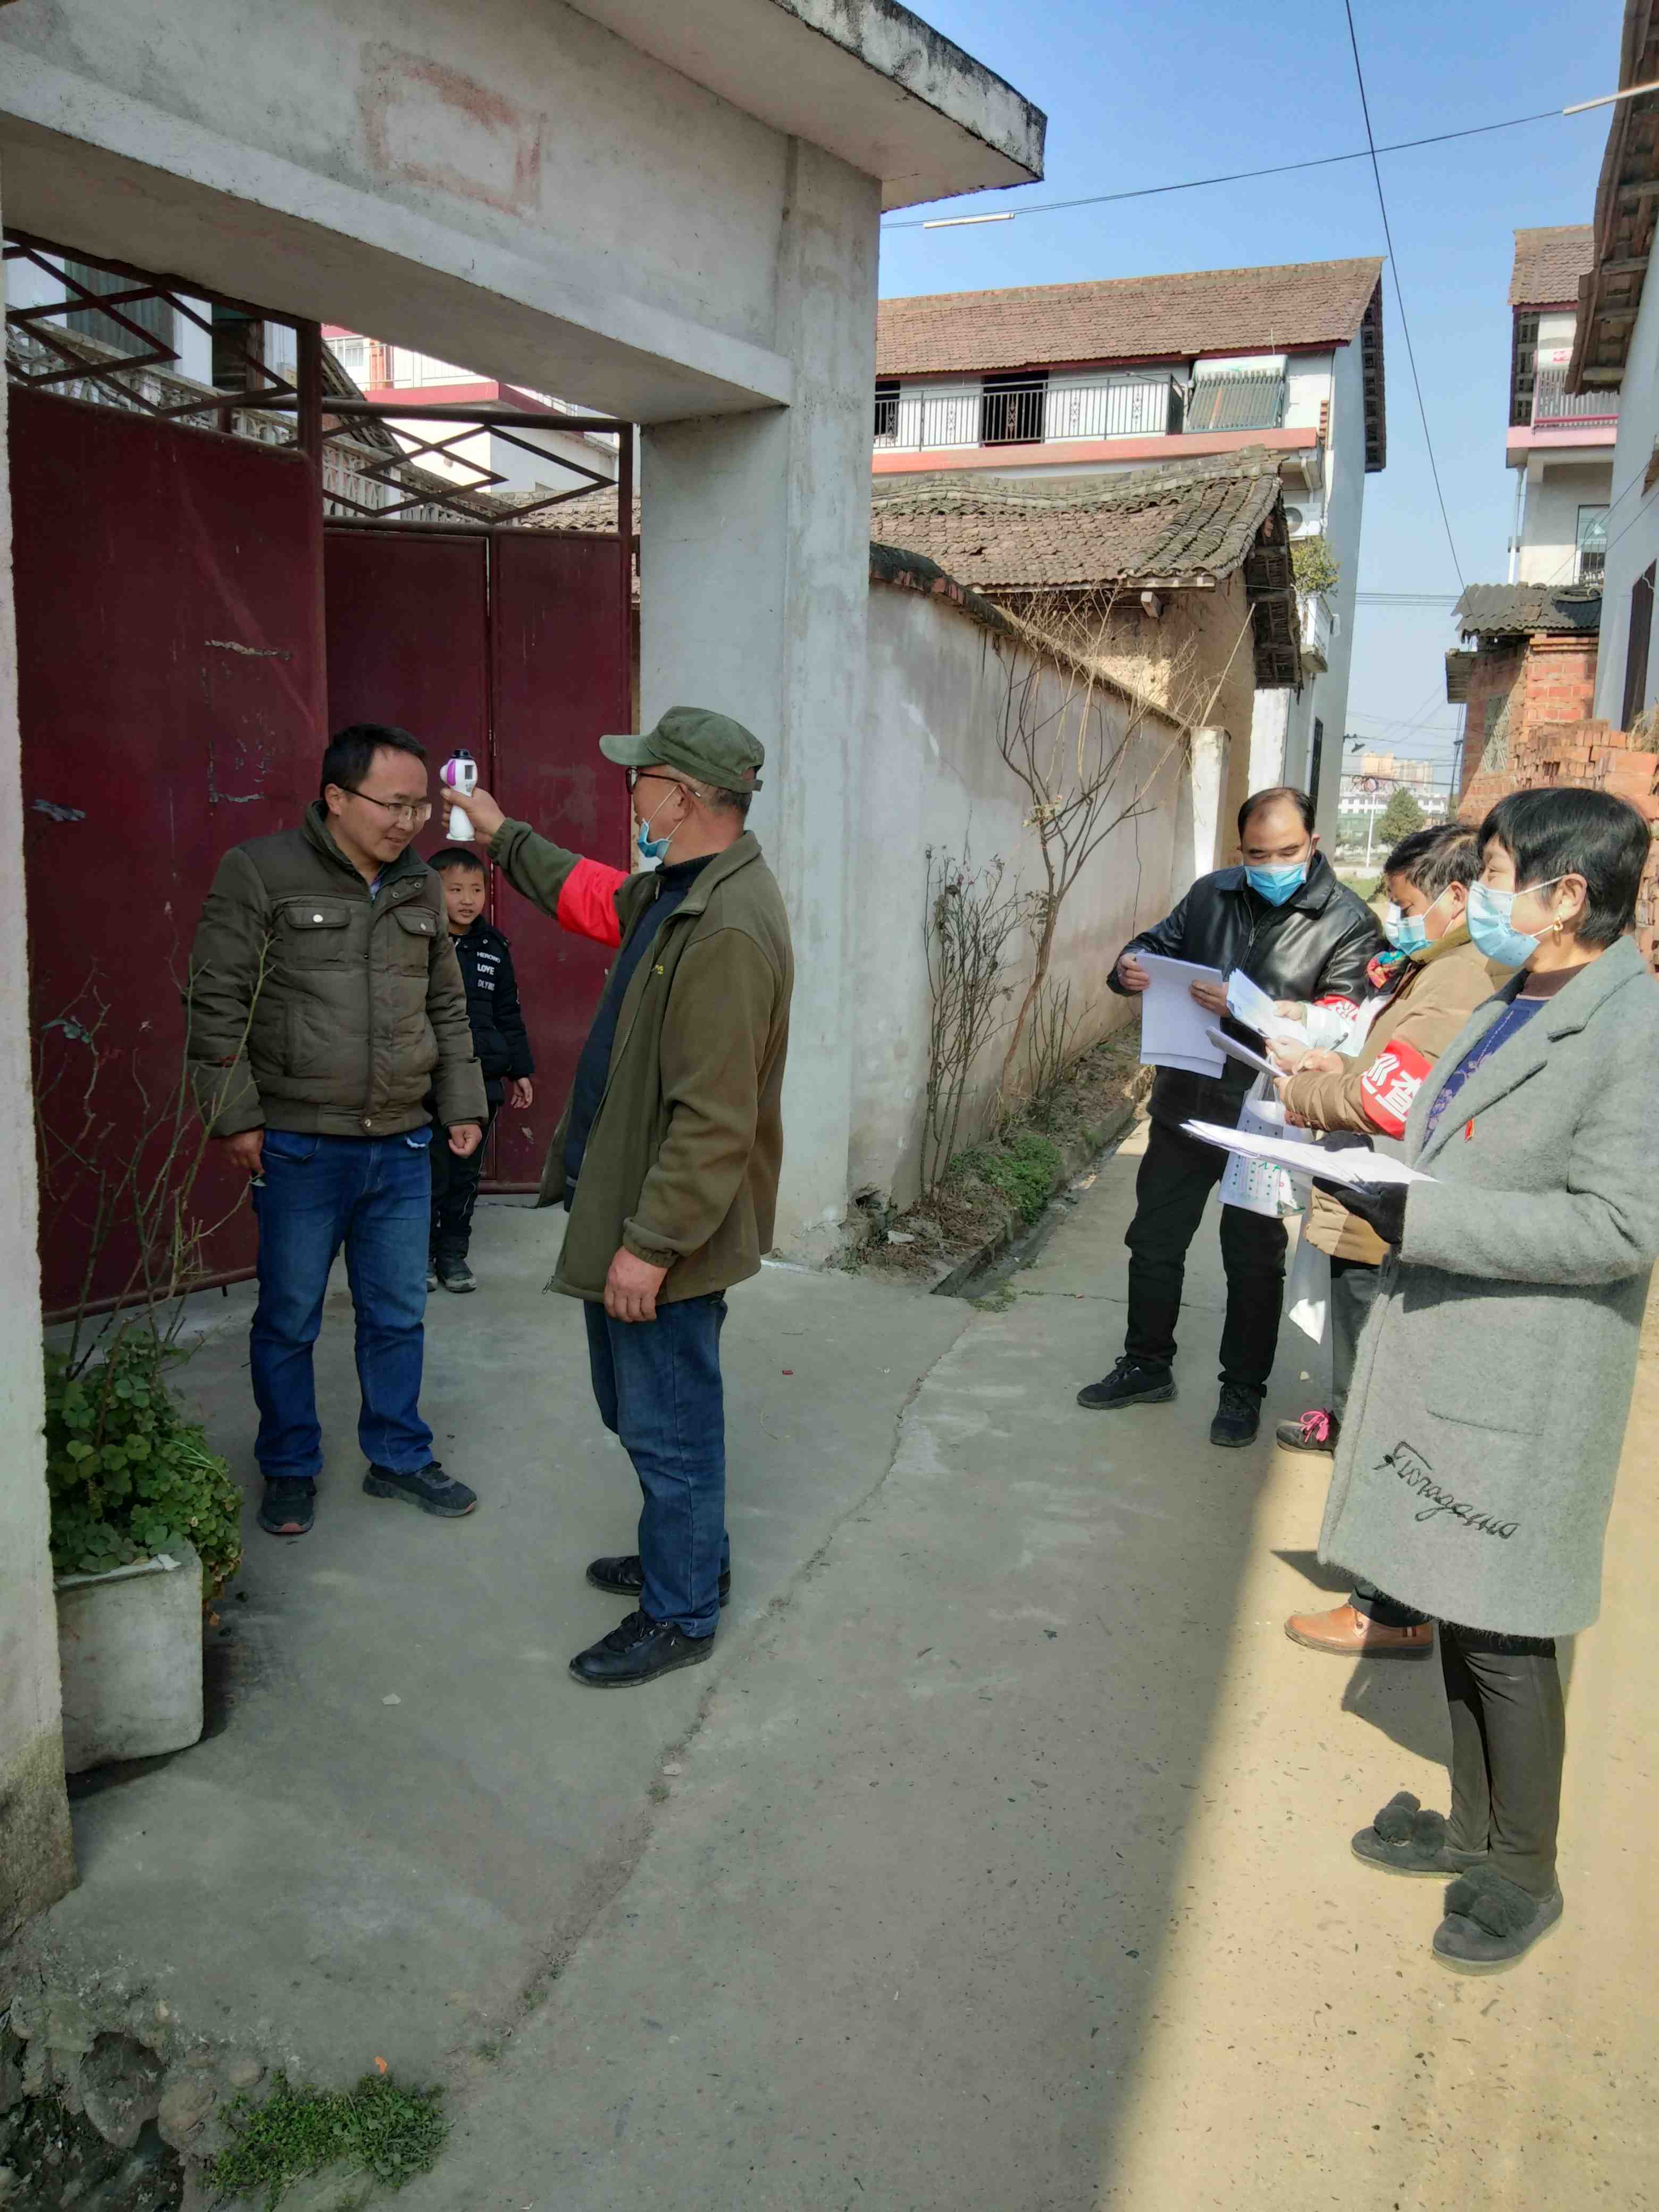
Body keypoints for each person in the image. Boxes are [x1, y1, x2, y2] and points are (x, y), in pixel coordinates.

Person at [1317, 787, 1659, 1972]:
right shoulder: (1517, 996)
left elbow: (1620, 1226)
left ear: (1568, 895)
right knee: (1455, 1600)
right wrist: (1375, 1167)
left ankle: (1524, 1869)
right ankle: (1473, 1827)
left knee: (1507, 1628)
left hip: (1525, 1376)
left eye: (1500, 875)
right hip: (1451, 1349)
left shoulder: (1628, 1029)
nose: (1481, 898)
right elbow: (1453, 1137)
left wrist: (1426, 1220)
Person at [459, 707, 794, 1689]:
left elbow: (715, 1120)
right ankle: (687, 1554)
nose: (629, 792)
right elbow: (586, 890)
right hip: (637, 1205)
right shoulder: (675, 893)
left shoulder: (725, 928)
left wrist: (651, 1245)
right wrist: (499, 834)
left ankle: (682, 1611)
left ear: (681, 797)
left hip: (666, 1227)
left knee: (667, 1420)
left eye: (639, 778)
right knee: (642, 1408)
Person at [186, 724, 487, 1539]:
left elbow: (445, 1003)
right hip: (301, 1142)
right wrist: (235, 1115)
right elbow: (217, 998)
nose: (408, 821)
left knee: (397, 1314)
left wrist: (462, 1102)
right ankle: (289, 1465)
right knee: (290, 1317)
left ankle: (399, 1455)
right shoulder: (261, 871)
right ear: (336, 798)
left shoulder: (420, 884)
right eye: (394, 805)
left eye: (420, 807)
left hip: (403, 1141)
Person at [1267, 824, 1512, 1657]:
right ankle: (1389, 1592)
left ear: (1456, 896)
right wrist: (1332, 1071)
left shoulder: (1459, 977)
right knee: (1370, 1401)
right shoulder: (1441, 968)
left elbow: (1387, 1100)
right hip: (1379, 1209)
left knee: (1384, 1414)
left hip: (1389, 1216)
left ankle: (1391, 1606)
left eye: (1405, 902)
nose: (1395, 916)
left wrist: (1301, 1092)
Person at [1081, 787, 1383, 1447]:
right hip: (1185, 1101)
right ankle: (1145, 1363)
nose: (1272, 865)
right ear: (1239, 849)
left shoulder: (1349, 922)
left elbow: (1346, 1027)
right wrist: (1129, 965)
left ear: (1314, 844)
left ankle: (1243, 1389)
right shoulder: (1211, 893)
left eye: (1287, 852)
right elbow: (1157, 943)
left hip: (1265, 1117)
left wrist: (1247, 1006)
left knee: (1252, 1258)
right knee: (1154, 1241)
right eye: (1257, 854)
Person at [424, 847, 535, 1295]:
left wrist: (520, 1069)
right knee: (428, 1175)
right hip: (426, 1080)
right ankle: (419, 1255)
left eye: (476, 890)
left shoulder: (494, 947)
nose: (467, 900)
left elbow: (509, 1012)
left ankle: (453, 1254)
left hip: (481, 1080)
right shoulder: (419, 940)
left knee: (464, 1176)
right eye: (455, 890)